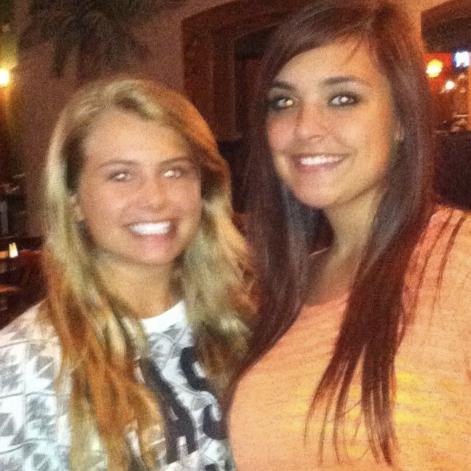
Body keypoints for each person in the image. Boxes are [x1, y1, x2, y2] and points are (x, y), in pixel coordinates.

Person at [229, 0, 471, 469]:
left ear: (402, 119)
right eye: (283, 102)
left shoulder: (458, 261)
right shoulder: (276, 289)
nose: (304, 127)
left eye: (342, 98)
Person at [0, 78, 252, 470]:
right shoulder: (23, 365)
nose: (155, 198)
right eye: (121, 175)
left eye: (174, 171)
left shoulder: (250, 321)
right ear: (73, 200)